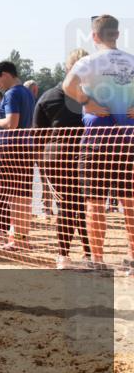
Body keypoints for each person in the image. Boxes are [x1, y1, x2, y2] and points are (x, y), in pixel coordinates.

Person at [62, 15, 134, 271]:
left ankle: (98, 260)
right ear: (117, 34)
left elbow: (67, 84)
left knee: (94, 201)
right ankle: (133, 257)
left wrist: (86, 103)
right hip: (127, 139)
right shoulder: (130, 60)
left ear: (94, 36)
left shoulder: (89, 61)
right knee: (129, 200)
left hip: (97, 139)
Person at [35, 48, 91, 269]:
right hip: (70, 160)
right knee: (78, 206)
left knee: (76, 206)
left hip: (63, 160)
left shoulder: (49, 97)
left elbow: (37, 136)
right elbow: (38, 136)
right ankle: (80, 255)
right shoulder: (93, 96)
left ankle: (75, 255)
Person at [0, 61, 37, 251]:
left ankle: (16, 240)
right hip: (26, 147)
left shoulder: (12, 93)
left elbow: (11, 122)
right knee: (23, 196)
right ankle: (22, 239)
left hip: (12, 149)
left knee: (14, 196)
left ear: (5, 74)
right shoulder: (27, 93)